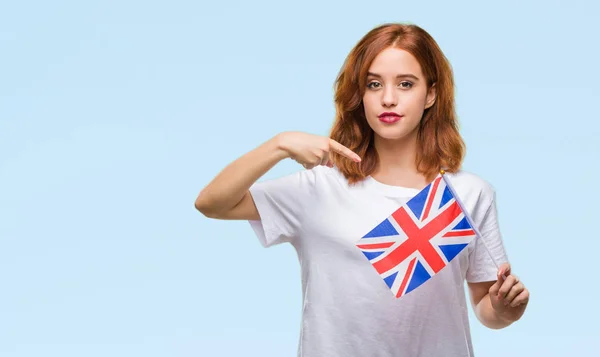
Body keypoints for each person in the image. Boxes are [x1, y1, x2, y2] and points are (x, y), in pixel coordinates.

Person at [195, 22, 529, 357]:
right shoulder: (319, 187)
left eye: (405, 84)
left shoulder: (468, 193)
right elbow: (212, 203)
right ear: (360, 95)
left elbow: (486, 307)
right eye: (374, 84)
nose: (388, 98)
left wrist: (504, 309)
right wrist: (280, 144)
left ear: (431, 93)